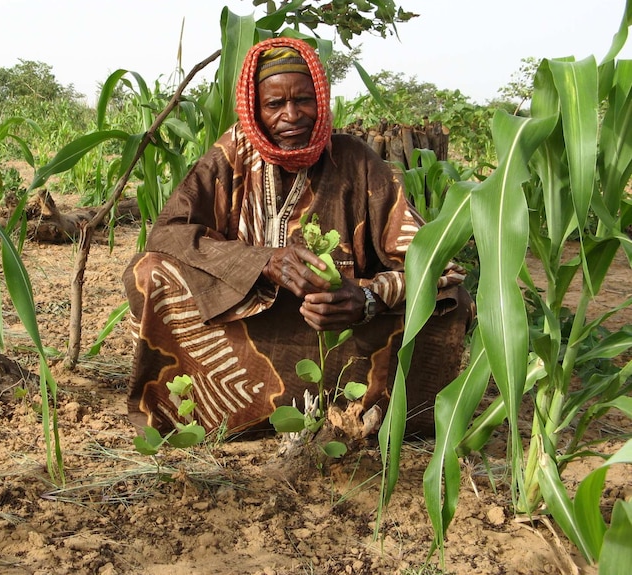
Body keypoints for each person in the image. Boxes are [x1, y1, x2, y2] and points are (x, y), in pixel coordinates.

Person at [122, 37, 473, 438]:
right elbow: (168, 232)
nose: (291, 115)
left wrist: (369, 299)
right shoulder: (233, 154)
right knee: (150, 273)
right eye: (274, 105)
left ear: (321, 101)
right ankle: (206, 412)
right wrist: (262, 262)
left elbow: (434, 261)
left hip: (340, 327)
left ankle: (377, 414)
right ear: (255, 108)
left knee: (451, 302)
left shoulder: (356, 161)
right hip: (246, 320)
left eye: (304, 100)